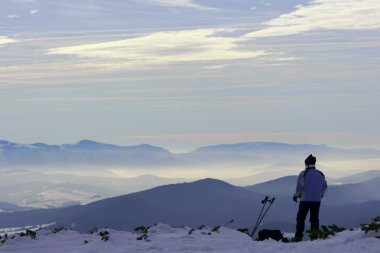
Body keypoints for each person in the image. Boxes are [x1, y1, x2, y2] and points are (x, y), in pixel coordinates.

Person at [292, 154, 327, 241]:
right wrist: (320, 195)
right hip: (317, 200)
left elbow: (300, 187)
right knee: (314, 219)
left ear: (306, 164)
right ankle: (314, 237)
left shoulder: (303, 174)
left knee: (300, 218)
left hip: (305, 200)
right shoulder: (321, 174)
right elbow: (325, 186)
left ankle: (298, 237)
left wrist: (295, 195)